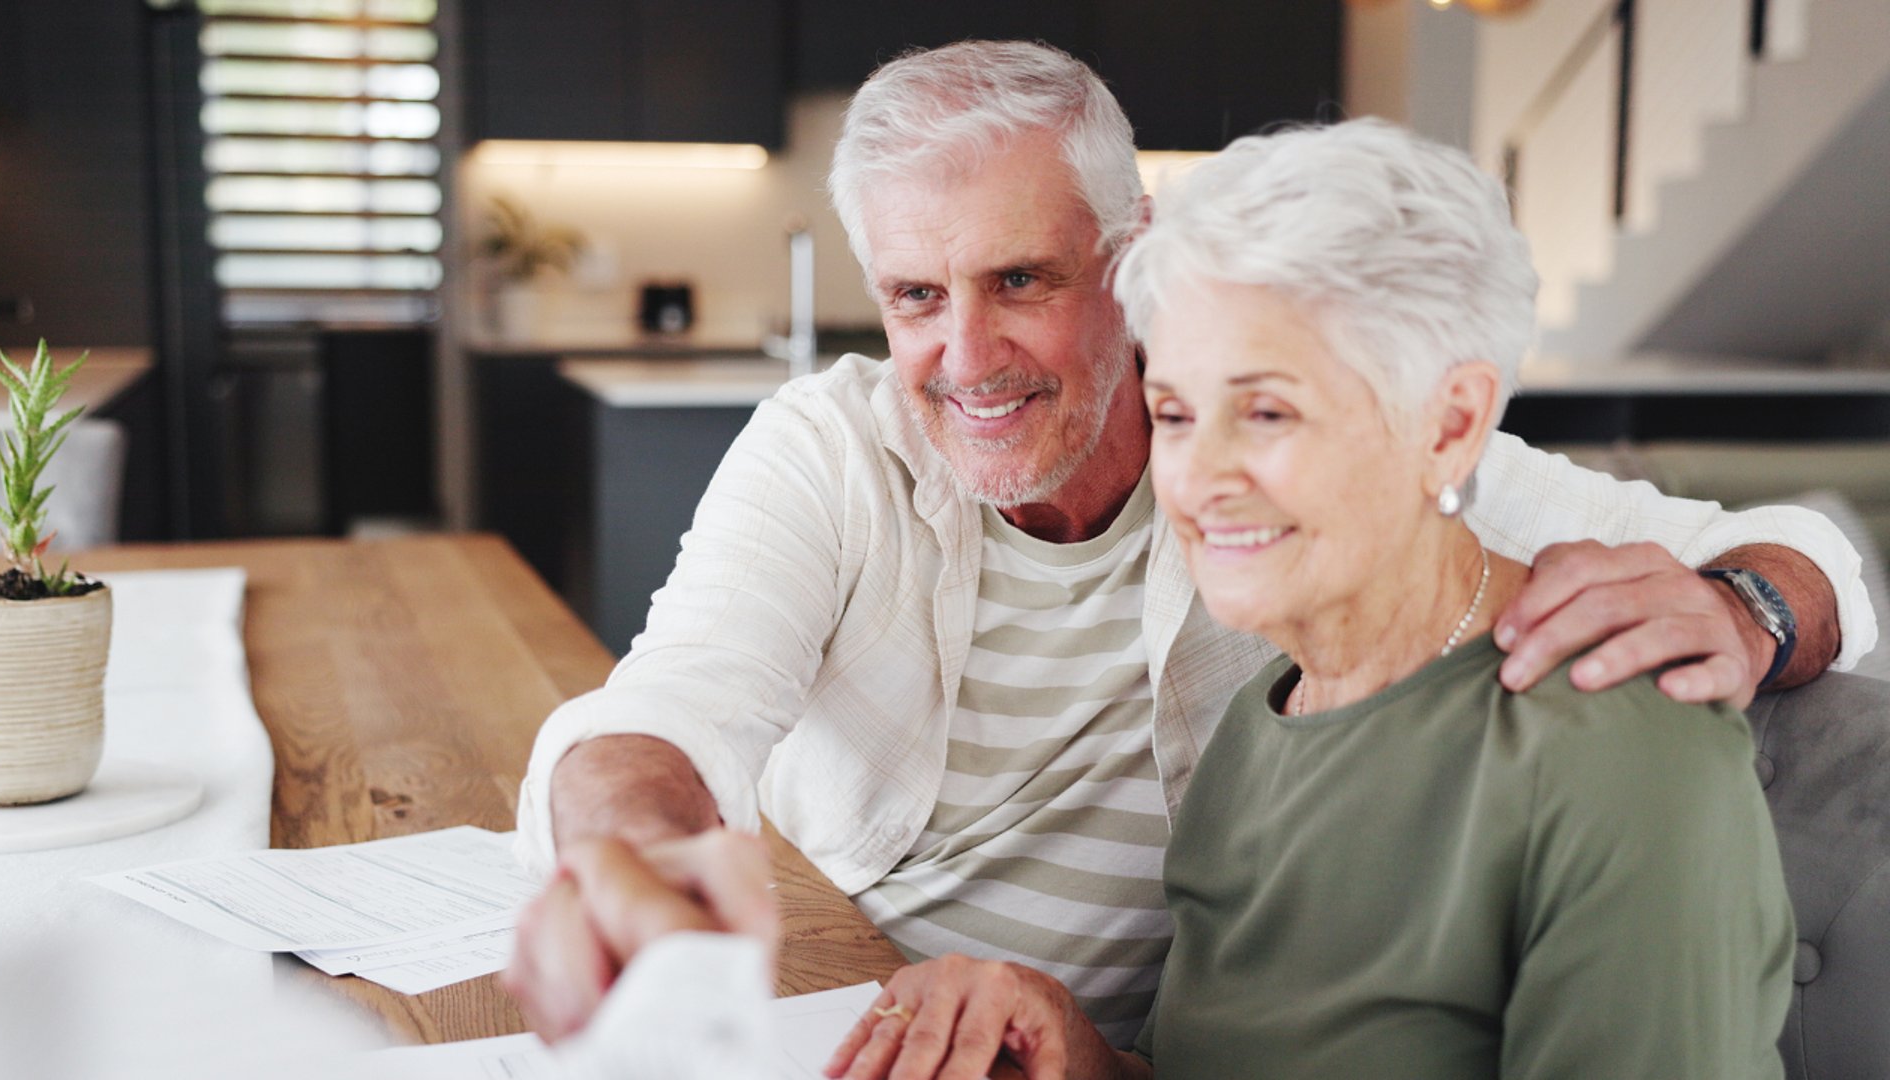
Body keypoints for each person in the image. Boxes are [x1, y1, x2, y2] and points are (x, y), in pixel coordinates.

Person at [502, 40, 1869, 1047]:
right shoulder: (839, 452)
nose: (965, 355)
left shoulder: (1337, 473)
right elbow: (678, 698)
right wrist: (629, 856)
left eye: (1020, 280)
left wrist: (1751, 605)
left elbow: (1799, 553)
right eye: (917, 295)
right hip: (838, 1005)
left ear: (1126, 255)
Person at [828, 117, 1796, 1080]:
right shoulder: (1261, 722)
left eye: (1267, 412)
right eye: (1174, 413)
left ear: (1451, 426)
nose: (1199, 477)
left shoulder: (1618, 760)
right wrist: (1070, 1045)